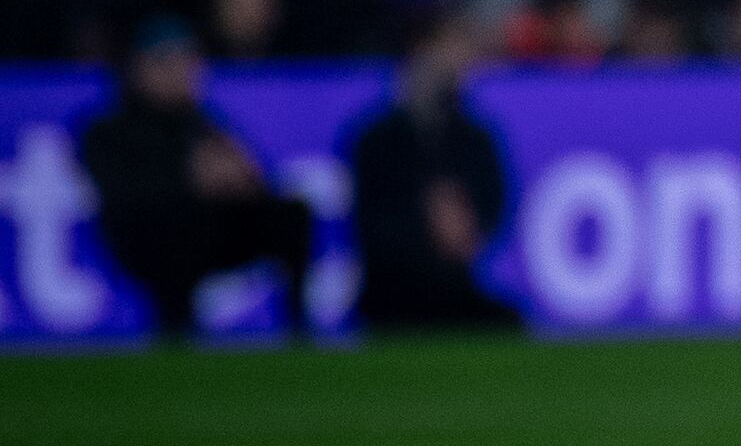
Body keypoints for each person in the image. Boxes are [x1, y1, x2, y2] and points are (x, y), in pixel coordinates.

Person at [77, 26, 322, 341]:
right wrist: (190, 178)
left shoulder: (199, 121)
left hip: (209, 229)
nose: (182, 73)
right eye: (167, 63)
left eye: (188, 63)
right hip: (147, 235)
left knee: (290, 213)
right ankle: (176, 324)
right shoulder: (108, 130)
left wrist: (241, 177)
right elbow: (124, 194)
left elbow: (248, 177)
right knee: (177, 224)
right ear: (138, 69)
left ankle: (298, 326)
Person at [341, 32, 522, 332]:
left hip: (455, 285)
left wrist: (468, 225)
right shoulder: (375, 141)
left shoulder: (474, 138)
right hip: (392, 291)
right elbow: (368, 221)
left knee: (505, 323)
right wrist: (428, 225)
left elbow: (495, 203)